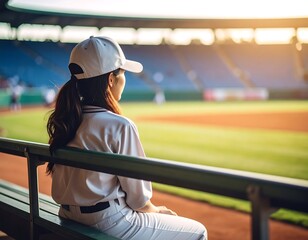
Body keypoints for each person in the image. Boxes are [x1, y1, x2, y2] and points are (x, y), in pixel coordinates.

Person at [46, 36, 207, 240]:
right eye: (122, 73)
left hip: (67, 214)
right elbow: (139, 200)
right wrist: (157, 211)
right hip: (109, 221)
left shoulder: (68, 119)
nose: (124, 79)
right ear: (111, 79)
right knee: (199, 231)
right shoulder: (120, 125)